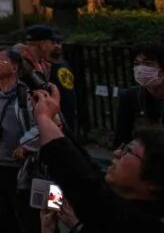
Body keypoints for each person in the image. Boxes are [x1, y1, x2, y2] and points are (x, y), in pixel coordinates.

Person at [33, 85, 164, 232]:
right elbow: (88, 170)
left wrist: (43, 118)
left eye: (129, 150)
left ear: (153, 182)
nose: (117, 153)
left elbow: (80, 178)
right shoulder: (125, 210)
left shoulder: (135, 222)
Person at [0, 46, 40, 233]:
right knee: (0, 217)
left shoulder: (26, 96)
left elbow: (42, 126)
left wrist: (26, 145)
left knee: (26, 218)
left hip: (21, 170)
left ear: (14, 68)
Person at [21, 25, 77, 132]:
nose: (53, 46)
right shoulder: (25, 69)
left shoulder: (42, 66)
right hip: (36, 130)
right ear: (43, 45)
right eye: (51, 43)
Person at [114, 43, 164, 147]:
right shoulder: (130, 97)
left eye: (148, 63)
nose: (141, 69)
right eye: (137, 64)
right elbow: (122, 137)